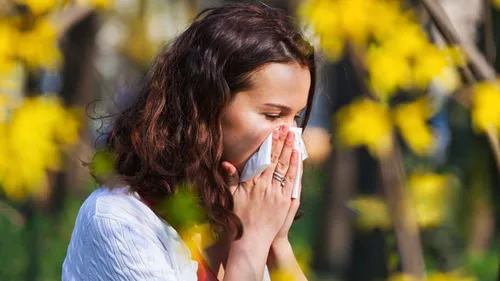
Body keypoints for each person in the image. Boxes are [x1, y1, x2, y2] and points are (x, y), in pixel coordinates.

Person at [62, 2, 316, 281]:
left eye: (297, 117)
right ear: (207, 105)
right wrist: (251, 242)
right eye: (272, 115)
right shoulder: (119, 220)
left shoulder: (240, 213)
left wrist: (276, 243)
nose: (290, 138)